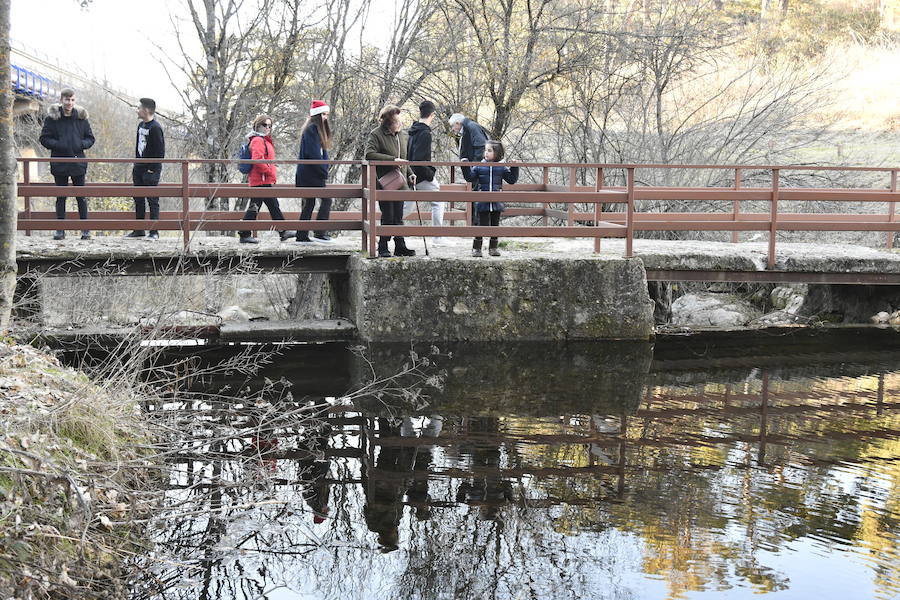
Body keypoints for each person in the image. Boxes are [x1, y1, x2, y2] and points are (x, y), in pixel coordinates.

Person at [39, 88, 95, 241]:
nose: (69, 103)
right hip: (60, 162)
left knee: (81, 197)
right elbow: (44, 138)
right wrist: (59, 145)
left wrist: (80, 144)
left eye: (72, 100)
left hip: (78, 162)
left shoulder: (82, 118)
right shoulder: (52, 118)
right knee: (61, 196)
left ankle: (85, 230)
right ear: (61, 100)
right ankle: (60, 230)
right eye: (67, 100)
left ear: (74, 101)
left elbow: (91, 139)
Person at [365, 104, 415, 258]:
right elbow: (369, 154)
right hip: (384, 182)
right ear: (388, 122)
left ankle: (400, 246)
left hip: (401, 181)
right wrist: (392, 160)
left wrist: (410, 173)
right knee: (388, 214)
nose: (400, 124)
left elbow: (404, 158)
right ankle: (383, 246)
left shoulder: (402, 135)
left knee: (398, 215)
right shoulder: (376, 134)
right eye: (397, 121)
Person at [239, 114, 292, 244]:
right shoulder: (258, 140)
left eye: (270, 126)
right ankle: (244, 234)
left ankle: (282, 231)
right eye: (265, 125)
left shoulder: (263, 139)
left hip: (264, 180)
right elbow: (257, 160)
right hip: (261, 180)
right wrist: (268, 170)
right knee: (255, 207)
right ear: (258, 125)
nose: (267, 128)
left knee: (273, 206)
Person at [461, 140, 519, 257]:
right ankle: (477, 248)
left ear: (497, 153)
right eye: (485, 150)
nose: (486, 153)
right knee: (480, 225)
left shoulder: (501, 168)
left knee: (495, 226)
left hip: (497, 202)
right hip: (482, 201)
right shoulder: (479, 166)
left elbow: (512, 180)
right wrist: (465, 166)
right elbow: (470, 178)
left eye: (489, 150)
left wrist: (514, 167)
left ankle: (493, 248)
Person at [124, 98, 165, 240]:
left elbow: (160, 152)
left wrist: (151, 169)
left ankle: (154, 232)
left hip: (151, 170)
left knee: (152, 199)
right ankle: (139, 229)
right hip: (139, 167)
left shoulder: (155, 128)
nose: (137, 110)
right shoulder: (141, 125)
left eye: (139, 108)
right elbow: (138, 146)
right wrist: (137, 164)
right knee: (138, 198)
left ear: (146, 110)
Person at [295, 100, 334, 244]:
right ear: (317, 115)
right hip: (311, 175)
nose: (326, 117)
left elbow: (320, 153)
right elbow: (313, 154)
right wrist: (323, 171)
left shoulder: (314, 129)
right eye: (324, 114)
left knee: (309, 204)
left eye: (327, 114)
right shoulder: (312, 129)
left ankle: (303, 234)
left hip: (311, 174)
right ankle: (318, 232)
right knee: (325, 200)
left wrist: (324, 168)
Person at [407, 100, 445, 246]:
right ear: (432, 115)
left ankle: (381, 232)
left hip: (411, 174)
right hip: (420, 176)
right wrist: (430, 175)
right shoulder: (424, 133)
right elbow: (419, 159)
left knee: (405, 208)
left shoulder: (413, 131)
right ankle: (437, 238)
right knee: (438, 200)